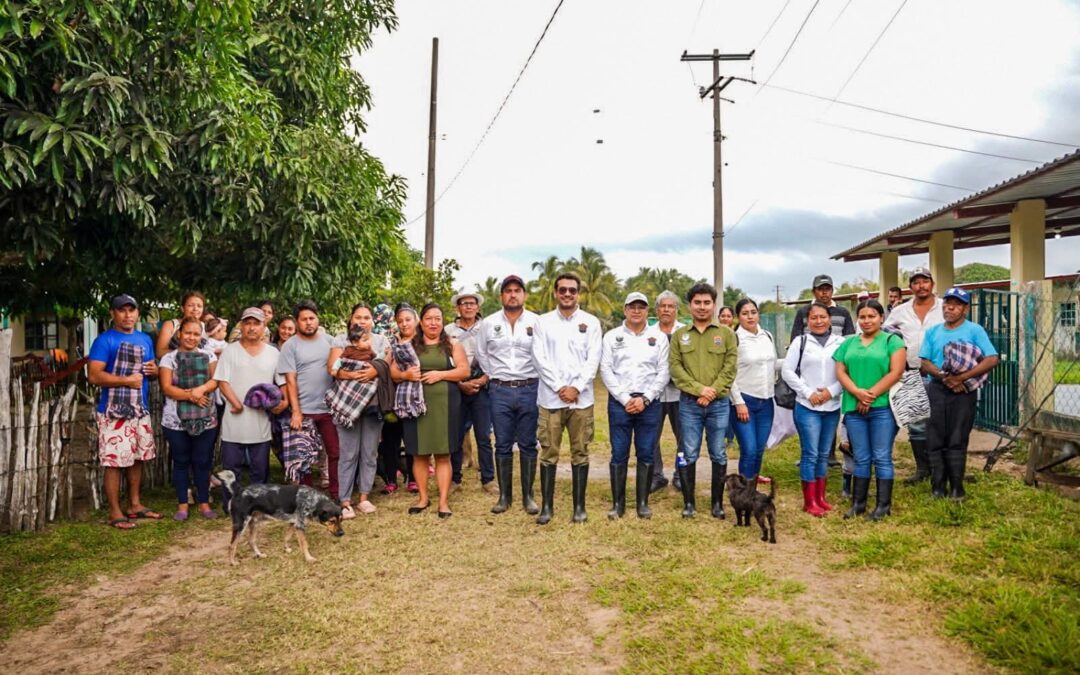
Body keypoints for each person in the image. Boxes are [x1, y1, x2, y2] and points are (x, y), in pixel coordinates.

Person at [532, 272, 602, 524]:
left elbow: (593, 358)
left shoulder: (591, 322)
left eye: (572, 290)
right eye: (562, 290)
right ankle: (547, 507)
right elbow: (539, 358)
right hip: (550, 399)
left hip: (581, 401)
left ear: (578, 294)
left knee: (580, 451)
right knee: (549, 451)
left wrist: (576, 387)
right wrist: (560, 386)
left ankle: (579, 507)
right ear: (555, 293)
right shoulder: (543, 322)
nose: (567, 294)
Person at [87, 294, 161, 529]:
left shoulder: (144, 339)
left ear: (138, 313)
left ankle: (135, 505)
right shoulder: (104, 341)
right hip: (113, 411)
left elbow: (152, 370)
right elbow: (94, 375)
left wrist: (154, 370)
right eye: (122, 310)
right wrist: (126, 380)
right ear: (113, 313)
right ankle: (115, 511)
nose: (128, 315)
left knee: (137, 457)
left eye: (132, 310)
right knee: (114, 461)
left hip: (140, 407)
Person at [919, 288, 999, 500]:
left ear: (965, 308)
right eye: (947, 303)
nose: (950, 307)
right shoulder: (933, 332)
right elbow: (925, 361)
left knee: (957, 437)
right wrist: (945, 377)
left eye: (956, 304)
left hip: (963, 392)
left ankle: (957, 488)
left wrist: (961, 378)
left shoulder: (975, 330)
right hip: (936, 389)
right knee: (935, 438)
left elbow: (991, 358)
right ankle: (937, 488)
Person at [391, 304, 469, 518]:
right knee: (419, 454)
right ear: (421, 322)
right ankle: (423, 497)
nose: (434, 323)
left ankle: (443, 501)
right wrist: (406, 376)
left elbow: (464, 371)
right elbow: (394, 371)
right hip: (415, 406)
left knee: (443, 454)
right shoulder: (409, 345)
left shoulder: (452, 344)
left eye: (438, 318)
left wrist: (440, 374)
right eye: (429, 318)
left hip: (445, 406)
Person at [669, 283, 738, 519]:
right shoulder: (680, 335)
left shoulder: (727, 334)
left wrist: (713, 391)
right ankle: (689, 504)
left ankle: (717, 505)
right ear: (690, 305)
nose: (702, 307)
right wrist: (699, 390)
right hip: (689, 404)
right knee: (689, 453)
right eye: (697, 302)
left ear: (714, 304)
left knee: (718, 453)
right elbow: (676, 369)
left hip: (718, 405)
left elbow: (730, 368)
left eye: (707, 302)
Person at [475, 275, 542, 515]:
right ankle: (504, 496)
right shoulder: (489, 323)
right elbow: (482, 353)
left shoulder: (537, 322)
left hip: (530, 388)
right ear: (501, 295)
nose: (512, 294)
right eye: (508, 291)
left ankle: (528, 496)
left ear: (524, 295)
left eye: (517, 290)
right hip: (500, 390)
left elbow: (544, 353)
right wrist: (494, 376)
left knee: (528, 444)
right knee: (502, 443)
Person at [834, 300, 906, 521]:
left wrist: (870, 395)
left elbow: (896, 372)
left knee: (882, 457)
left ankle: (883, 506)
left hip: (882, 408)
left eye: (871, 316)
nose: (866, 321)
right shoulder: (848, 344)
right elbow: (840, 371)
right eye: (862, 317)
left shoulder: (892, 342)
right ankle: (859, 504)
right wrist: (857, 392)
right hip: (854, 408)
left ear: (881, 318)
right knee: (862, 457)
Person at [599, 292, 669, 519]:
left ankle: (642, 503)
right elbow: (606, 370)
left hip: (649, 403)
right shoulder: (611, 337)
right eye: (632, 306)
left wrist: (646, 398)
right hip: (620, 403)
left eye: (641, 307)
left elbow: (663, 372)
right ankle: (618, 504)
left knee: (646, 452)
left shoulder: (658, 337)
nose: (636, 311)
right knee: (619, 453)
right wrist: (624, 398)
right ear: (625, 309)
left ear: (648, 311)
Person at [781, 302, 844, 517]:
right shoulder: (801, 342)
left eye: (823, 317)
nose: (819, 321)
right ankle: (809, 501)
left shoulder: (841, 342)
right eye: (814, 317)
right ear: (808, 321)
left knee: (824, 454)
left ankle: (821, 497)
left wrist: (831, 392)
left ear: (830, 319)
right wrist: (809, 393)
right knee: (810, 453)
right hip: (808, 406)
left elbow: (847, 372)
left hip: (832, 405)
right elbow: (788, 371)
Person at [883, 265, 944, 486]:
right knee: (916, 422)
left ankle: (942, 467)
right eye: (916, 282)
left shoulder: (944, 307)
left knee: (940, 421)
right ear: (910, 287)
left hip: (940, 374)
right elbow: (886, 334)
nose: (921, 286)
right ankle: (922, 468)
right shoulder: (900, 311)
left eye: (925, 281)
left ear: (932, 284)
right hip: (911, 373)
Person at [328, 303, 389, 517]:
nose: (362, 321)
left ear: (373, 321)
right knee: (348, 453)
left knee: (369, 452)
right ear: (351, 319)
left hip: (372, 404)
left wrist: (373, 371)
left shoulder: (382, 340)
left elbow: (386, 365)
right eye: (358, 317)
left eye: (366, 317)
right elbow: (333, 368)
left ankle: (364, 497)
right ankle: (345, 501)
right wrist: (353, 375)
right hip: (347, 403)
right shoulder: (340, 339)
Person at [215, 307, 284, 493]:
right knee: (231, 469)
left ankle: (257, 504)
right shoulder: (230, 351)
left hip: (260, 421)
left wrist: (282, 403)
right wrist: (236, 403)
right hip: (233, 420)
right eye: (247, 323)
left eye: (256, 323)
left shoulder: (273, 354)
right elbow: (222, 381)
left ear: (264, 327)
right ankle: (231, 504)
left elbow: (282, 383)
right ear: (241, 325)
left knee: (259, 468)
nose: (251, 328)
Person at [276, 300, 340, 498]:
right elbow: (290, 381)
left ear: (317, 318)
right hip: (304, 411)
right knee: (305, 458)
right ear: (297, 322)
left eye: (312, 318)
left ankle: (336, 494)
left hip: (329, 408)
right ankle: (308, 496)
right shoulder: (290, 346)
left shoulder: (330, 342)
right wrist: (296, 411)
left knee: (335, 452)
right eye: (304, 319)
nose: (309, 323)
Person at [158, 316, 219, 521]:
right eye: (188, 333)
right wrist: (192, 395)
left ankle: (204, 502)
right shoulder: (169, 359)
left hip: (206, 417)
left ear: (200, 336)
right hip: (175, 420)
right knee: (181, 461)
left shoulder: (209, 355)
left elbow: (215, 381)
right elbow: (167, 388)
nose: (191, 337)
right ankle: (182, 504)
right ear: (179, 334)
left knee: (202, 461)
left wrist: (201, 389)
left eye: (196, 333)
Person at [444, 291, 495, 493]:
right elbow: (444, 358)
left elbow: (493, 356)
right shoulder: (448, 330)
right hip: (457, 387)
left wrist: (483, 380)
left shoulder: (487, 328)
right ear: (457, 307)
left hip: (482, 386)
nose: (468, 307)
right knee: (456, 435)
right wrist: (459, 383)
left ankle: (488, 479)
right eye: (464, 303)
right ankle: (455, 479)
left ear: (478, 307)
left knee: (483, 435)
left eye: (472, 303)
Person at [730, 298, 776, 483]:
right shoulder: (735, 339)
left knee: (758, 449)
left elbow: (773, 364)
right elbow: (729, 373)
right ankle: (743, 490)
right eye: (745, 313)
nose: (750, 316)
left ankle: (752, 480)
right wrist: (738, 402)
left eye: (753, 312)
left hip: (766, 401)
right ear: (738, 317)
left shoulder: (767, 335)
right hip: (744, 401)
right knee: (748, 449)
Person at [650, 290, 685, 493]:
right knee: (651, 437)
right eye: (662, 306)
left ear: (676, 310)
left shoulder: (685, 331)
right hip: (654, 394)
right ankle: (656, 475)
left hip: (680, 395)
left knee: (683, 438)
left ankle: (680, 474)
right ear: (657, 309)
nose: (666, 309)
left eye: (670, 306)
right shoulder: (649, 332)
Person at [790, 274, 856, 340]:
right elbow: (795, 339)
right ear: (813, 292)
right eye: (820, 289)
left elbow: (850, 339)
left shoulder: (843, 312)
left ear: (832, 291)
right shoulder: (803, 312)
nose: (824, 292)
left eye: (827, 289)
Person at [155, 291, 208, 359]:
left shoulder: (205, 327)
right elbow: (160, 352)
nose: (195, 309)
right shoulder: (170, 325)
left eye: (199, 306)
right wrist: (188, 354)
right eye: (191, 305)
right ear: (182, 308)